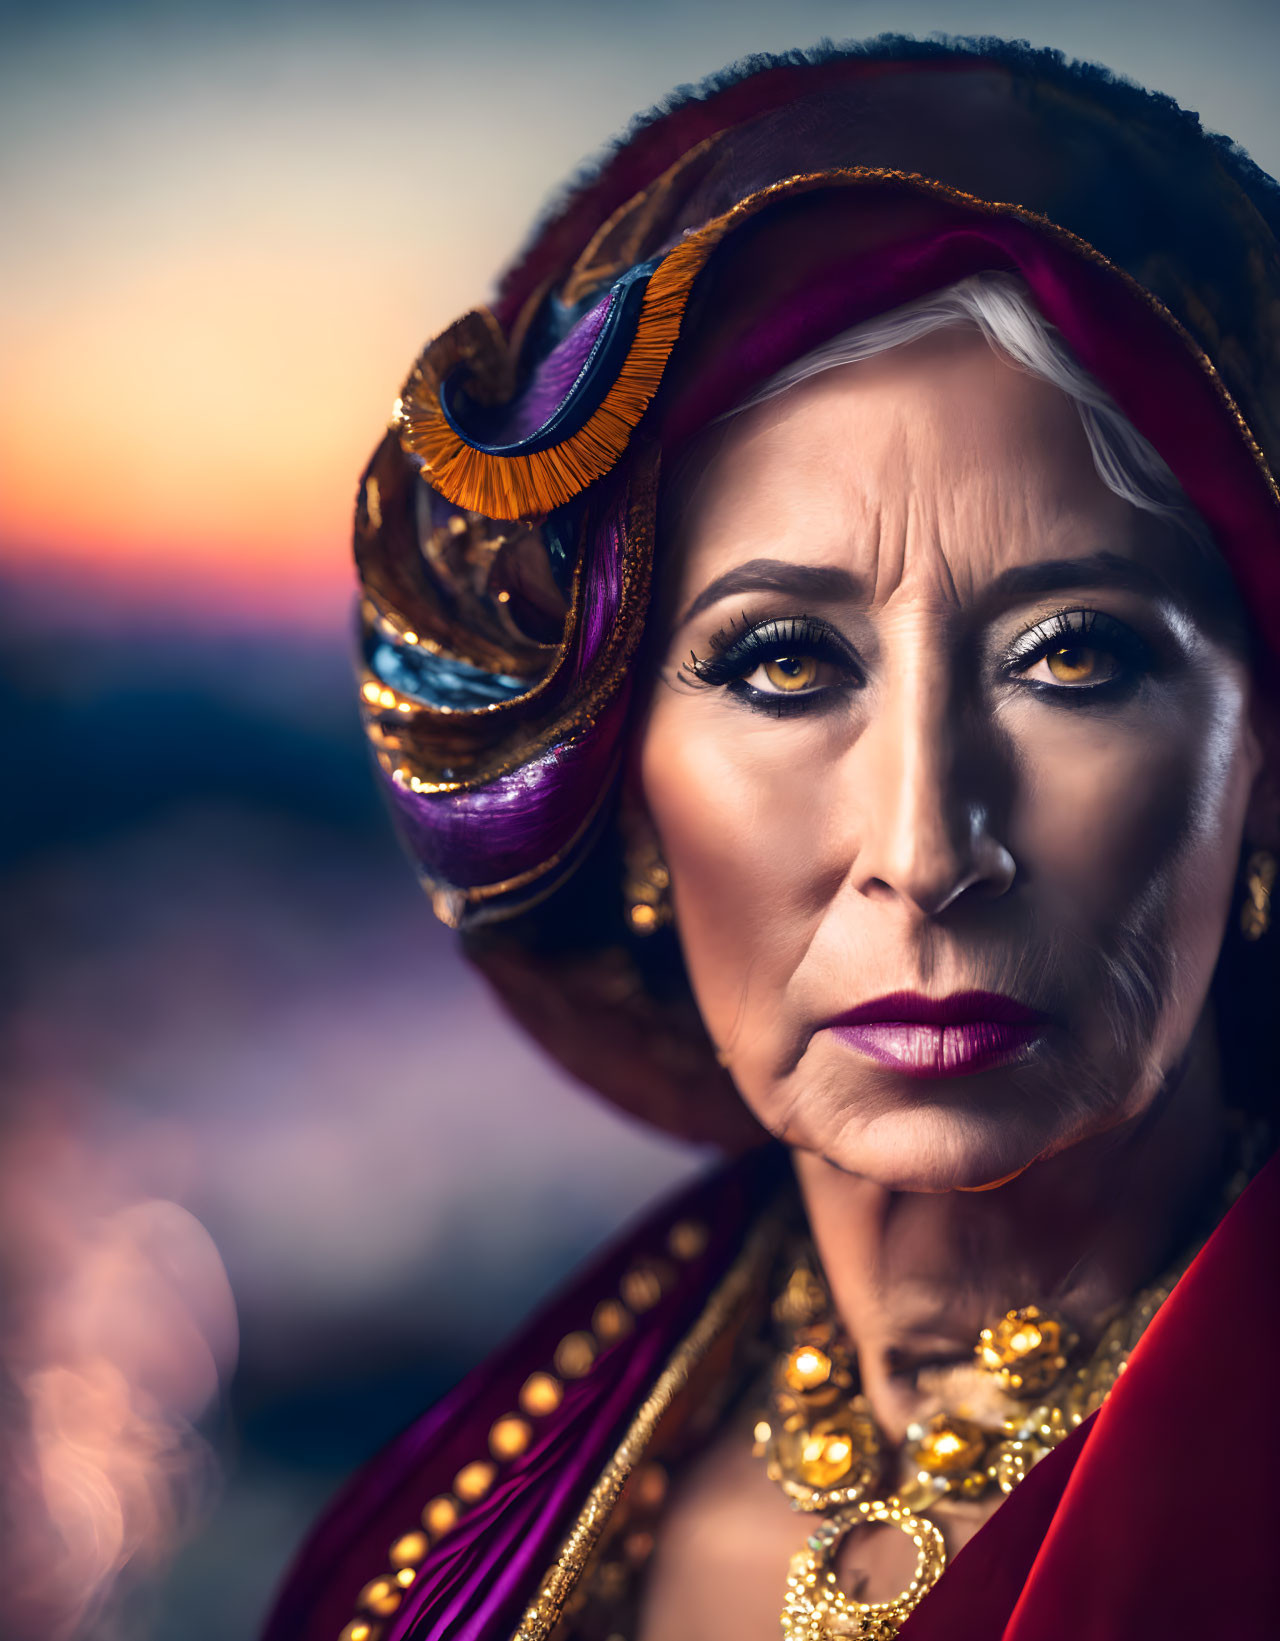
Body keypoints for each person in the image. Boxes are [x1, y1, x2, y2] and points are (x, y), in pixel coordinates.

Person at [263, 37, 1280, 1641]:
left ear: (1266, 763)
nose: (926, 846)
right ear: (623, 786)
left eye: (1075, 654)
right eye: (782, 662)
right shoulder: (437, 1534)